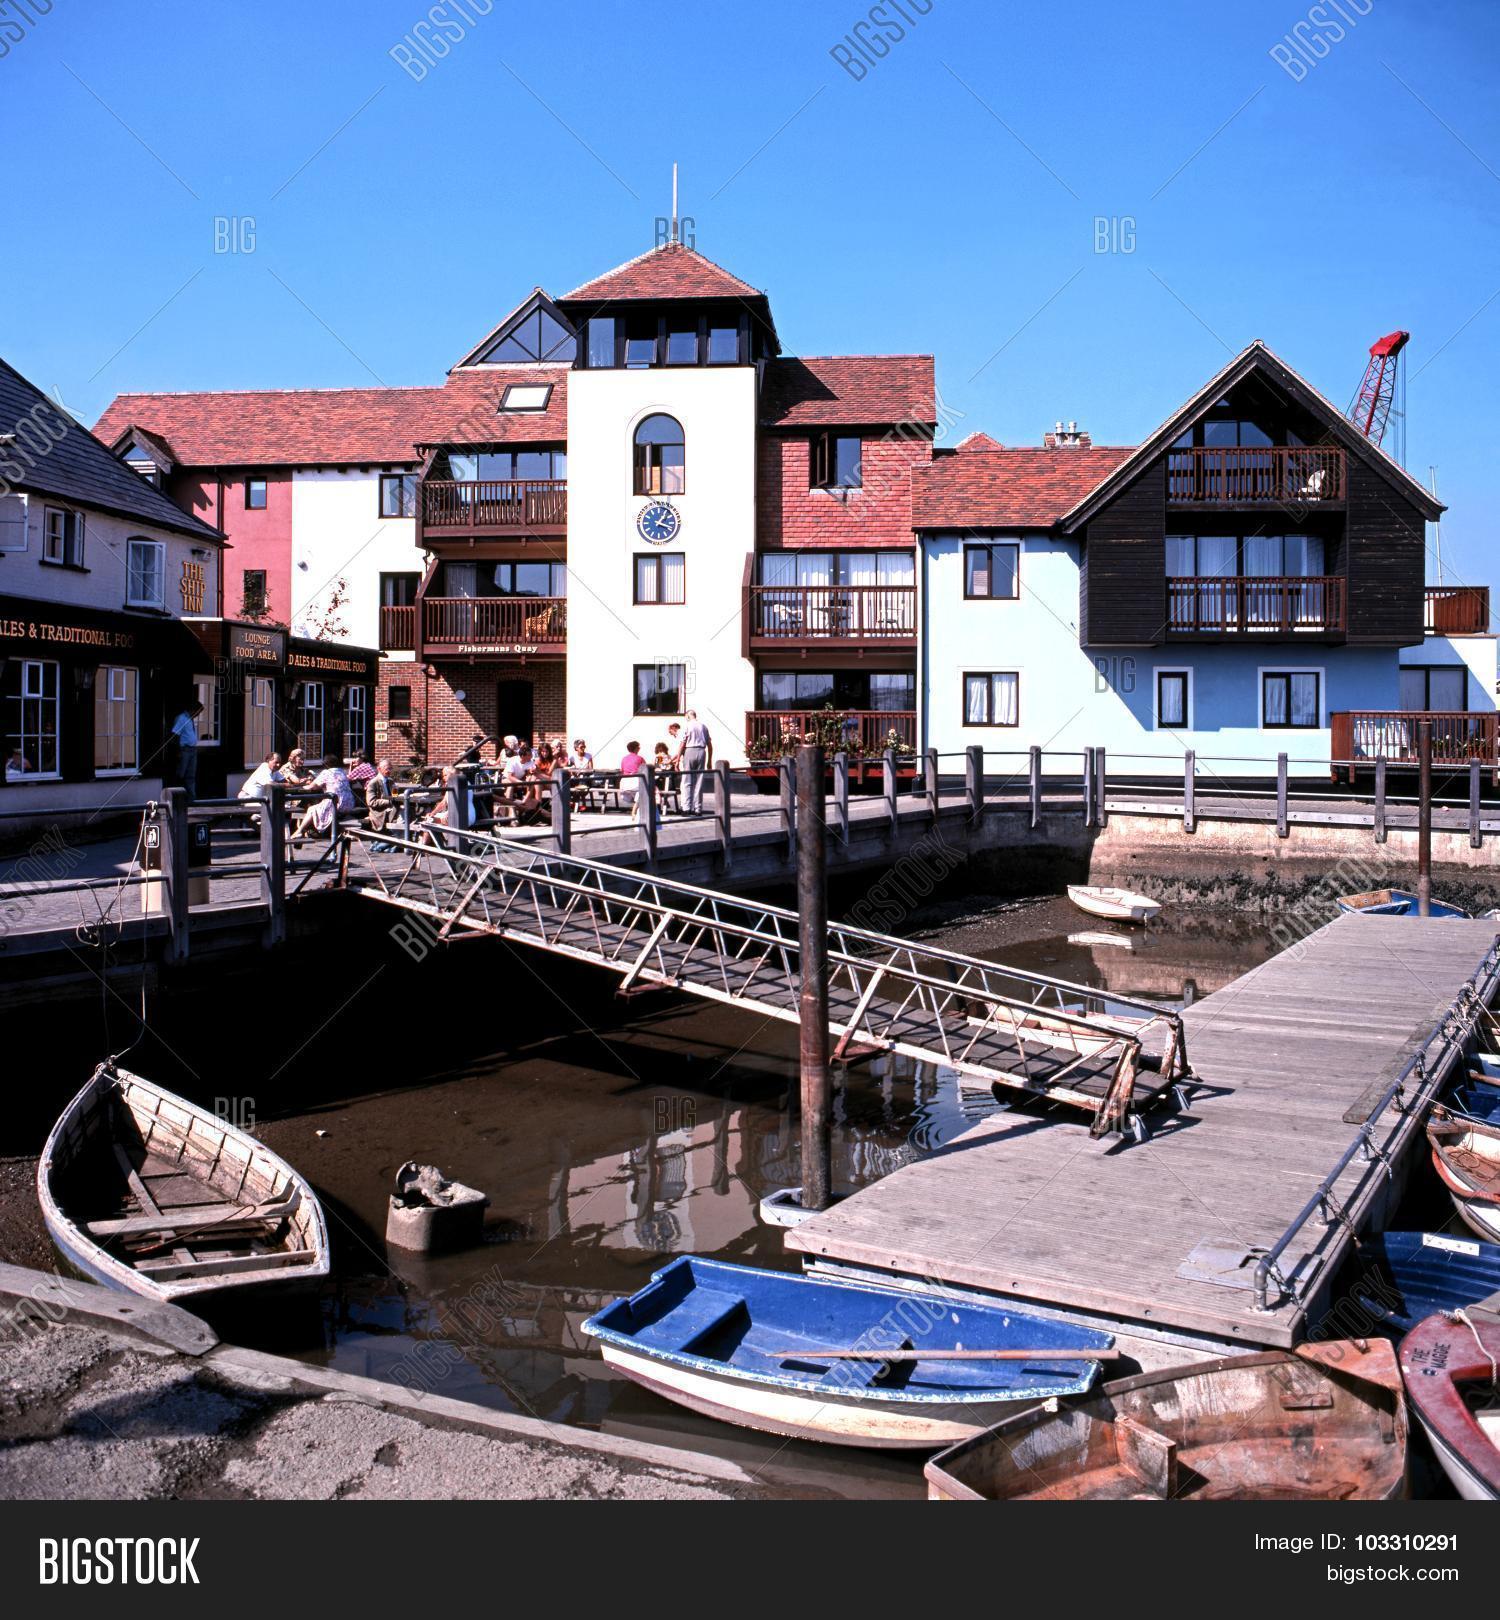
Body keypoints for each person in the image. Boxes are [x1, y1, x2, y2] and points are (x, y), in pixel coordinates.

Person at [292, 753, 355, 839]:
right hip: (349, 804)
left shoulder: (326, 772)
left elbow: (313, 786)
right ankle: (304, 831)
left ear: (325, 764)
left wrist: (302, 787)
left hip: (336, 803)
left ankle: (299, 831)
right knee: (319, 806)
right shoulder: (342, 771)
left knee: (311, 809)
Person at [678, 710, 713, 815]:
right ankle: (698, 808)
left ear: (688, 716)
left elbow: (682, 744)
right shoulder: (703, 726)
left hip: (689, 750)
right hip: (702, 751)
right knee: (699, 781)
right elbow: (710, 745)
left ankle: (686, 808)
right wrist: (709, 760)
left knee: (686, 780)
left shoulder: (687, 726)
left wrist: (678, 758)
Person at [169, 699, 204, 802]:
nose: (198, 715)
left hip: (192, 750)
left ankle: (191, 798)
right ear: (193, 710)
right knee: (181, 774)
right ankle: (178, 797)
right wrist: (178, 751)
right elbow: (175, 735)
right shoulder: (182, 718)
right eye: (198, 712)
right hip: (184, 750)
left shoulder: (190, 719)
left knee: (191, 775)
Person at [619, 739, 646, 821]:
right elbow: (645, 769)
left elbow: (622, 770)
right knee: (643, 792)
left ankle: (636, 809)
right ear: (635, 748)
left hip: (624, 782)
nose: (639, 749)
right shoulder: (640, 758)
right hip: (634, 781)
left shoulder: (624, 758)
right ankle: (634, 812)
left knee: (636, 795)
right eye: (638, 747)